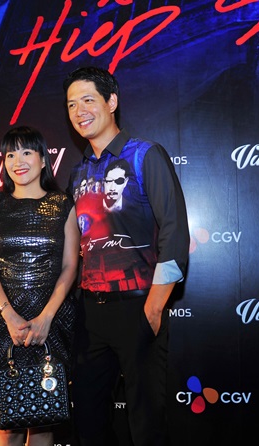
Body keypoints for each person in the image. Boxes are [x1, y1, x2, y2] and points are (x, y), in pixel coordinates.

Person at [63, 66, 190, 446]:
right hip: (90, 315)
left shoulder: (144, 155)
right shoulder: (77, 173)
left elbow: (174, 232)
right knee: (89, 424)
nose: (79, 111)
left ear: (112, 101)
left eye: (88, 100)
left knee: (146, 425)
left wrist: (154, 307)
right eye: (71, 104)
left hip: (138, 307)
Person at [0, 126, 80, 446]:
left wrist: (46, 317)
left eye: (27, 152)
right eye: (10, 154)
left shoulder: (63, 205)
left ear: (43, 159)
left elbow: (70, 266)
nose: (18, 161)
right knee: (8, 426)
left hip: (51, 323)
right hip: (1, 323)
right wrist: (9, 316)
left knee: (43, 422)